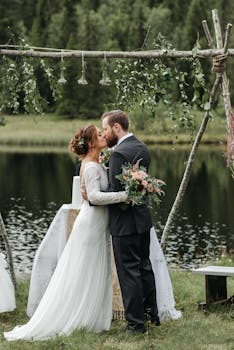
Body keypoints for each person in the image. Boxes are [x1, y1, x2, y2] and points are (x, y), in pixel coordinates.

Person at [4, 125, 128, 341]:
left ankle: (91, 318)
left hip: (98, 224)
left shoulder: (96, 163)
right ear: (90, 143)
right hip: (90, 225)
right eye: (99, 135)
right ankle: (77, 318)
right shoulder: (89, 167)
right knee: (84, 271)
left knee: (93, 269)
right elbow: (94, 197)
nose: (103, 136)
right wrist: (123, 195)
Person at [102, 110, 160, 334]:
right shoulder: (141, 147)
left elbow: (116, 193)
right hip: (142, 219)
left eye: (106, 129)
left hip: (124, 223)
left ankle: (135, 324)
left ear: (117, 127)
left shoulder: (118, 154)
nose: (105, 134)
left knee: (128, 272)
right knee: (144, 267)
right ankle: (150, 316)